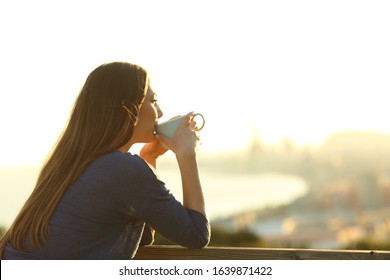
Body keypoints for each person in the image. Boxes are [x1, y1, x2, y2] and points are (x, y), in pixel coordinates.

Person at [0, 62, 210, 259]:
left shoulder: (72, 163)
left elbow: (144, 237)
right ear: (130, 109)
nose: (161, 112)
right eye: (153, 101)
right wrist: (186, 155)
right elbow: (196, 234)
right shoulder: (122, 169)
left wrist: (149, 157)